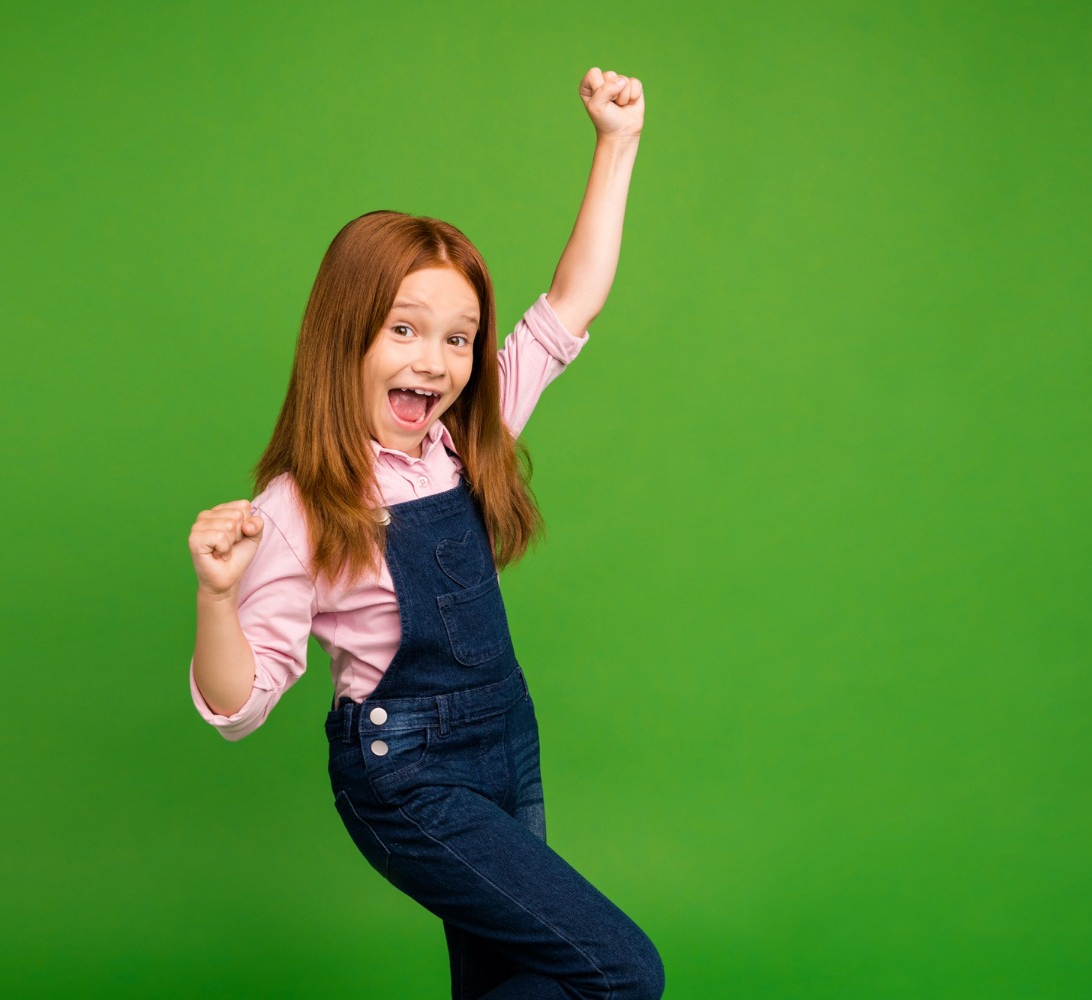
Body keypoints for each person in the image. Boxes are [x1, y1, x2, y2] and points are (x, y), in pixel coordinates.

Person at [186, 67, 661, 1000]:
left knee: (516, 976)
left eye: (459, 337)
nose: (436, 361)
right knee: (618, 971)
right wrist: (214, 596)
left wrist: (617, 145)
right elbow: (237, 709)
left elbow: (574, 304)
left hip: (505, 747)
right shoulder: (300, 506)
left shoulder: (467, 437)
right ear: (346, 338)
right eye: (405, 329)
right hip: (405, 778)